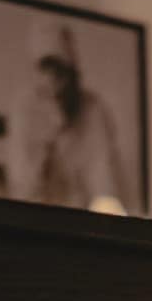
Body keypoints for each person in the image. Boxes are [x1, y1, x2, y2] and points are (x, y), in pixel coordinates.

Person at [20, 24, 131, 212]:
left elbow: (105, 184)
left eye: (60, 72)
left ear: (72, 73)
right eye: (46, 70)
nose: (53, 81)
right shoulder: (24, 110)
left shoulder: (94, 110)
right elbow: (24, 188)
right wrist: (46, 141)